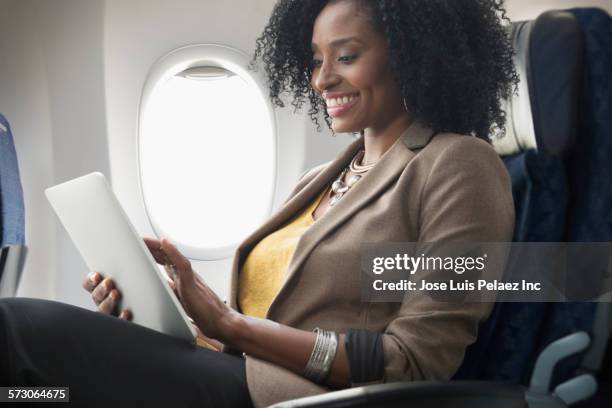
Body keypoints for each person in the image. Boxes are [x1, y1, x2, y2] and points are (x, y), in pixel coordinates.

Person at [0, 0, 517, 407]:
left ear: (412, 51)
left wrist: (230, 325)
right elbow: (261, 321)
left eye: (347, 56)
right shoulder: (321, 177)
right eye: (316, 60)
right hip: (234, 371)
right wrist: (170, 317)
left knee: (20, 332)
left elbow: (413, 361)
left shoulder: (461, 165)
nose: (320, 79)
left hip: (309, 399)